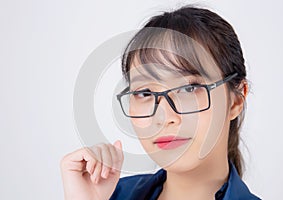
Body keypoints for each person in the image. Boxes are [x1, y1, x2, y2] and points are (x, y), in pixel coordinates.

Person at [60, 5, 261, 200]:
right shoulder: (109, 195)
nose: (164, 117)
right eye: (145, 92)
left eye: (188, 89)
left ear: (236, 100)